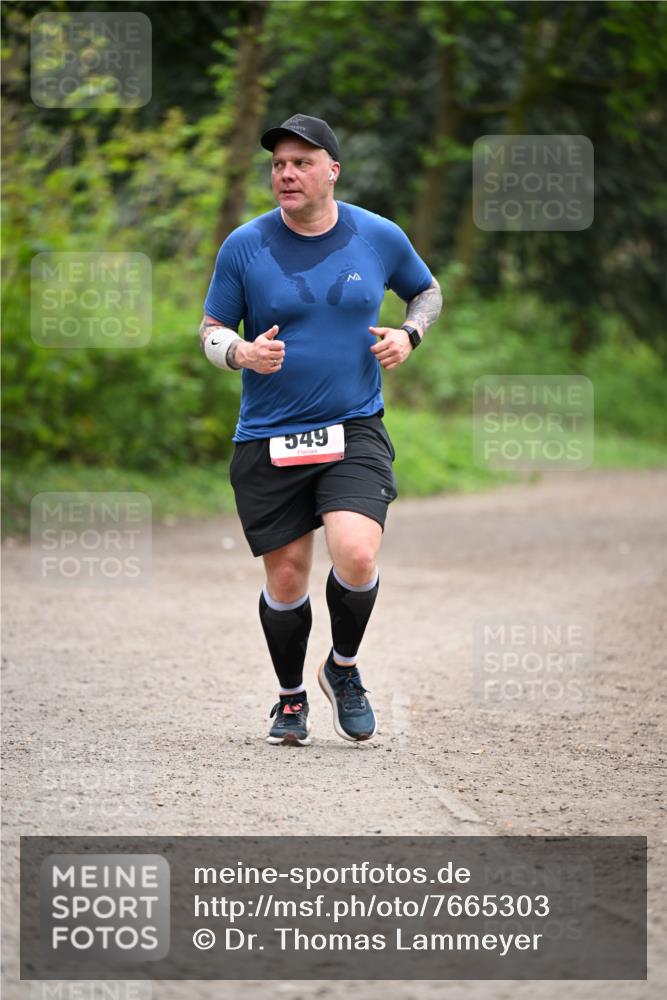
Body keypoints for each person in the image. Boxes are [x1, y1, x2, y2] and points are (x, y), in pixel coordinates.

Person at [200, 114, 442, 747]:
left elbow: (427, 292)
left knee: (357, 554)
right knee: (286, 579)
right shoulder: (245, 246)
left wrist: (408, 334)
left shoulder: (377, 235)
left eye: (301, 162)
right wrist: (240, 354)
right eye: (278, 163)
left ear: (332, 170)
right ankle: (289, 699)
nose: (286, 173)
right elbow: (211, 330)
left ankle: (343, 668)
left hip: (353, 425)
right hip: (269, 433)